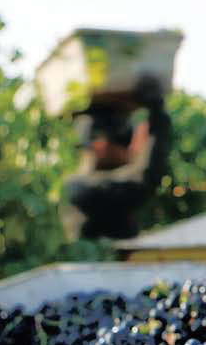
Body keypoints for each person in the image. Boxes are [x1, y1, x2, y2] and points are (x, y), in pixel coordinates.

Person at [61, 75, 173, 240]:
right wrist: (158, 116)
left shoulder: (81, 185)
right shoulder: (81, 188)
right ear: (101, 145)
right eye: (124, 142)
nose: (131, 150)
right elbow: (144, 178)